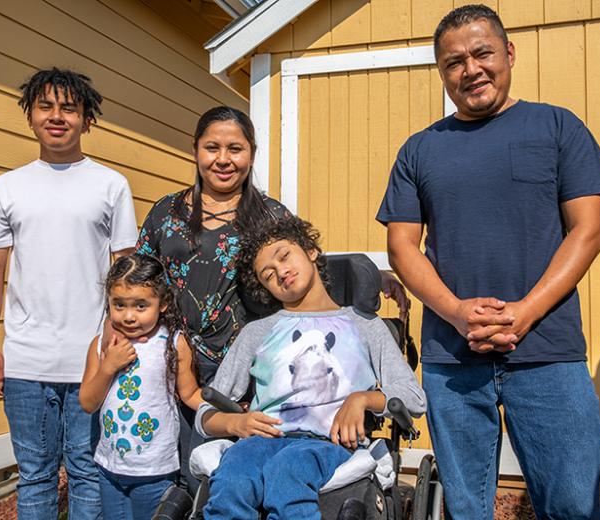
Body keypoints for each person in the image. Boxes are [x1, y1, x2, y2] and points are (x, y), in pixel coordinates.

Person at [377, 5, 600, 519]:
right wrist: (457, 312)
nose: (471, 69)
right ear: (442, 72)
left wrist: (526, 311)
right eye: (454, 62)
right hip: (453, 357)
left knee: (574, 505)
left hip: (548, 351)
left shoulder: (557, 126)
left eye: (482, 53)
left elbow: (589, 230)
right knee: (466, 508)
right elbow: (403, 247)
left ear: (508, 52)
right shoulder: (420, 149)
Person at [134, 105, 409, 492]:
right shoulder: (166, 213)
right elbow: (140, 281)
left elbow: (299, 259)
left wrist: (372, 275)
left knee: (228, 479)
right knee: (175, 475)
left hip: (244, 370)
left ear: (251, 153)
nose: (224, 159)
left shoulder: (268, 214)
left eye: (236, 148)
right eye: (213, 148)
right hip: (174, 359)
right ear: (196, 151)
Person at [0, 68, 138, 519]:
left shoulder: (111, 184)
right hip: (25, 359)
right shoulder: (6, 187)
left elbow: (125, 269)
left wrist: (115, 337)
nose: (57, 116)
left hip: (92, 356)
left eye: (69, 107)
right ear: (30, 115)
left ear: (87, 119)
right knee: (35, 475)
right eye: (45, 106)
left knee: (88, 471)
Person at [195, 216, 426, 519]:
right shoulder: (257, 332)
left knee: (288, 468)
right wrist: (234, 424)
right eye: (268, 274)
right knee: (233, 476)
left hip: (327, 444)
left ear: (310, 250)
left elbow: (414, 398)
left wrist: (363, 399)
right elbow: (204, 415)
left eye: (285, 256)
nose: (281, 272)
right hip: (262, 441)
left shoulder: (364, 326)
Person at [79, 255, 202, 520]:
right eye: (119, 304)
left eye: (141, 305)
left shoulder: (173, 343)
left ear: (163, 304)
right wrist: (108, 366)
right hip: (109, 469)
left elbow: (190, 393)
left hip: (154, 470)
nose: (129, 316)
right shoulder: (101, 345)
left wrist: (228, 409)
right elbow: (88, 402)